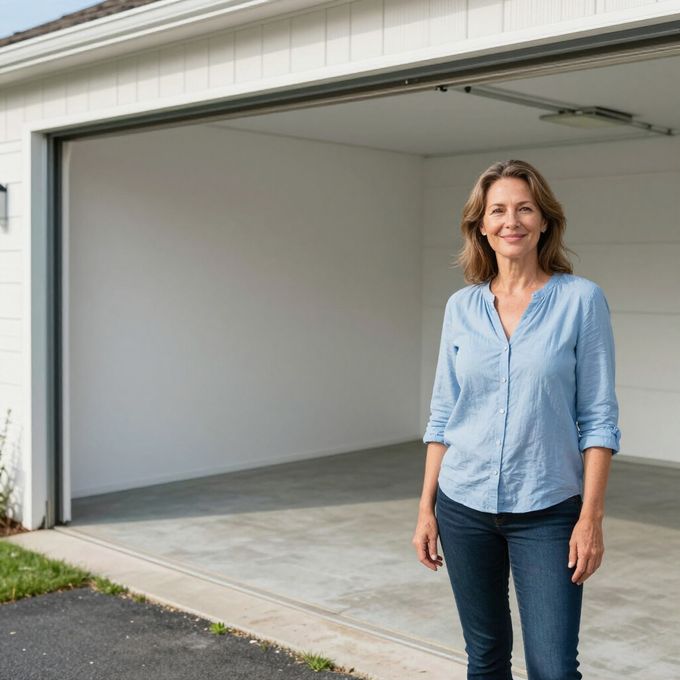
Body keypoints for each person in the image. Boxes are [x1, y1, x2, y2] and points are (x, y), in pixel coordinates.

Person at [412, 159, 621, 680]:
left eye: (524, 208)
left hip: (548, 509)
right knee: (484, 658)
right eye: (498, 210)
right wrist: (426, 508)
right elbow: (443, 414)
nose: (512, 221)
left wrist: (590, 519)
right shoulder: (460, 308)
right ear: (480, 225)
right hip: (463, 504)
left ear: (544, 220)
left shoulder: (581, 301)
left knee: (552, 667)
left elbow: (598, 419)